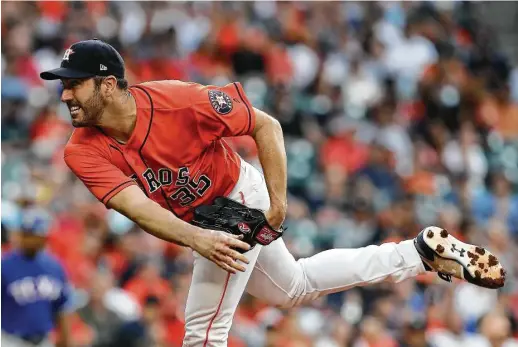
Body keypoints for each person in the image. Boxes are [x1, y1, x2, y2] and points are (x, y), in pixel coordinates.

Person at [40, 39, 506, 347]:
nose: (65, 96)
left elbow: (266, 125)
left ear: (107, 83)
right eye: (63, 85)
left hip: (236, 197)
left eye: (73, 84)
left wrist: (277, 203)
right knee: (293, 288)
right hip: (201, 220)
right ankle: (417, 253)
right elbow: (137, 207)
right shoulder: (80, 150)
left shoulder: (177, 100)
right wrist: (197, 238)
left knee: (204, 331)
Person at [1, 207, 72, 347]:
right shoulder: (5, 266)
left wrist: (65, 340)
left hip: (44, 340)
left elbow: (62, 308)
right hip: (11, 340)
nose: (31, 239)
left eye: (35, 235)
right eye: (27, 234)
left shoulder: (54, 267)